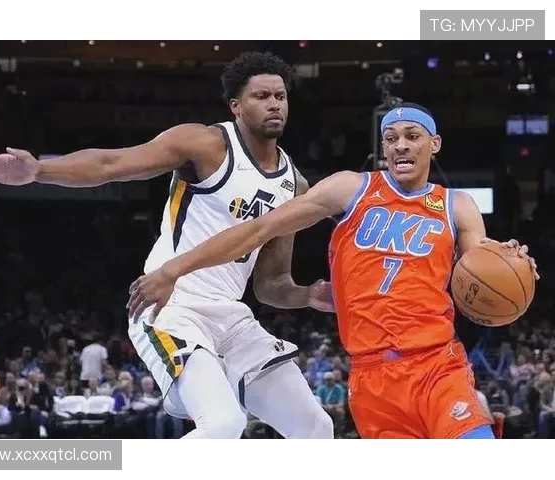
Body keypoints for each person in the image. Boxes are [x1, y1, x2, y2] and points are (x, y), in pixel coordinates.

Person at [0, 52, 334, 439]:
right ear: (236, 106)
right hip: (171, 304)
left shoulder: (295, 185)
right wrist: (41, 170)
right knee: (224, 424)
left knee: (316, 427)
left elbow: (271, 284)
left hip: (231, 316)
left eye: (280, 96)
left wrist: (308, 294)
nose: (274, 104)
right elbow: (111, 165)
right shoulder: (206, 143)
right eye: (261, 96)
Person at [121, 103, 540, 439]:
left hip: (436, 363)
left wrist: (512, 263)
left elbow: (481, 268)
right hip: (372, 376)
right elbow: (259, 229)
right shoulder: (351, 188)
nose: (400, 146)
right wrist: (175, 267)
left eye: (412, 137)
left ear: (435, 144)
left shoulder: (457, 205)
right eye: (391, 138)